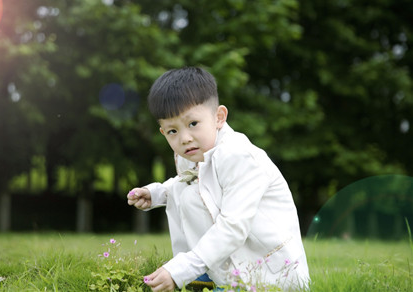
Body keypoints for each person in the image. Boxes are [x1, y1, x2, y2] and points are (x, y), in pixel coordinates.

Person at [127, 67, 310, 291]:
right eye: (173, 131)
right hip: (231, 265)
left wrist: (181, 269)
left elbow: (232, 226)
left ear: (219, 117)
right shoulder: (193, 152)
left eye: (193, 124)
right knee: (187, 193)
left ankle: (206, 273)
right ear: (163, 132)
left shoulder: (239, 156)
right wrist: (158, 193)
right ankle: (207, 274)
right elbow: (193, 182)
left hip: (267, 275)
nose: (185, 138)